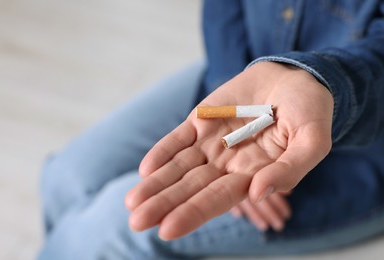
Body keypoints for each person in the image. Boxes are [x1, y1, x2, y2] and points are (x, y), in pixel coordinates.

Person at [39, 0, 384, 259]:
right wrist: (228, 79)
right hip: (245, 71)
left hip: (357, 148)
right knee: (65, 177)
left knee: (103, 232)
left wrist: (323, 84)